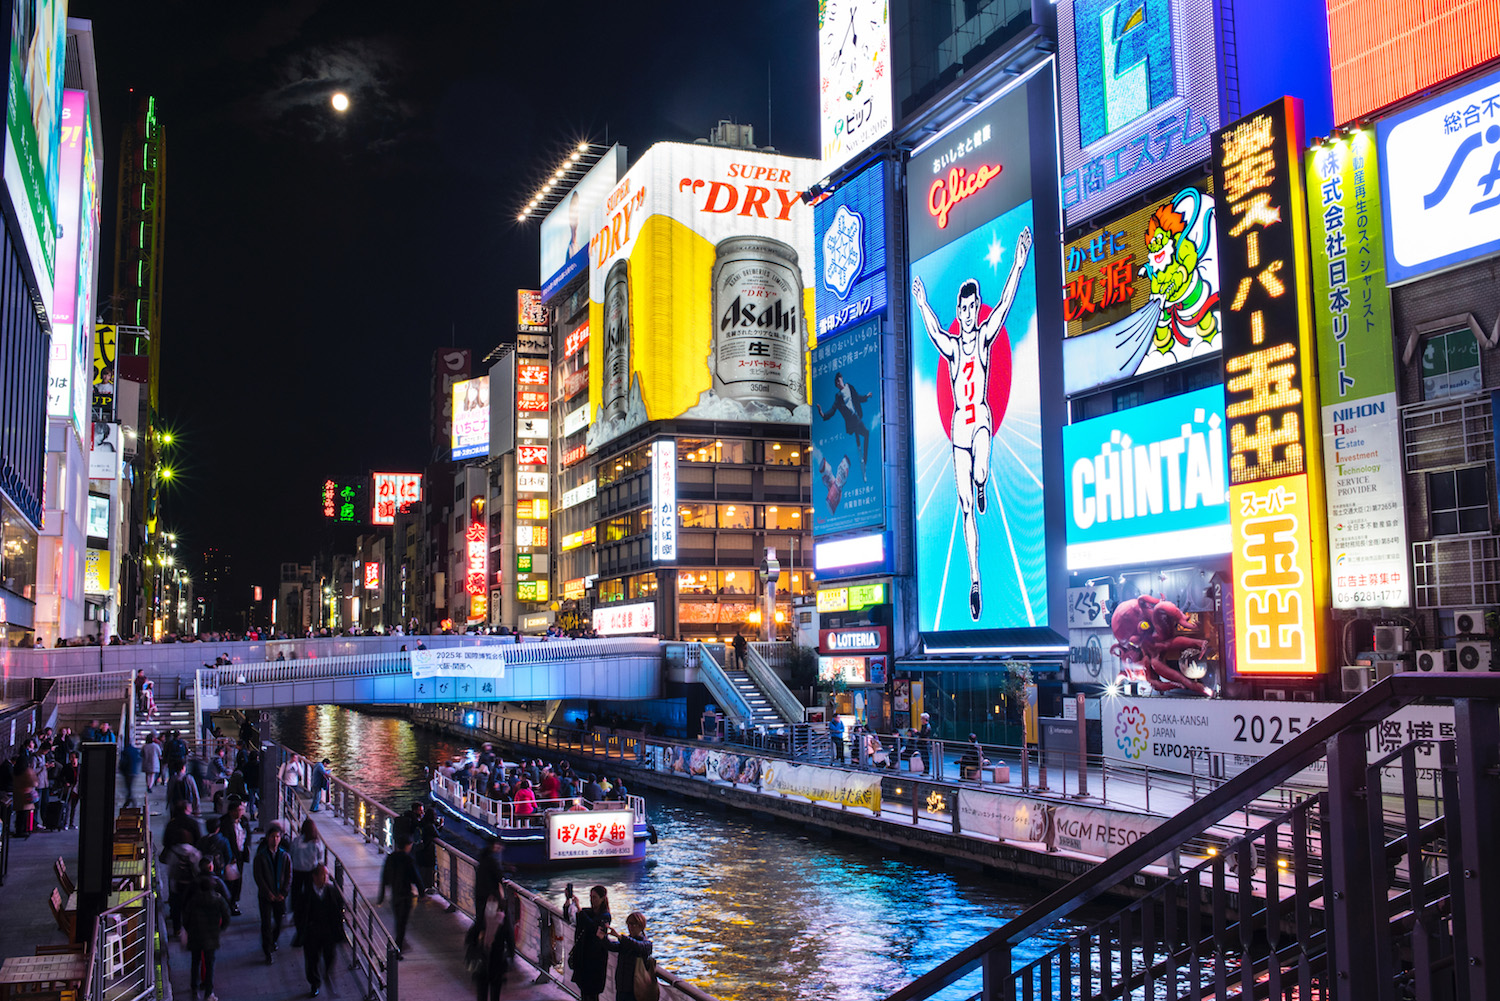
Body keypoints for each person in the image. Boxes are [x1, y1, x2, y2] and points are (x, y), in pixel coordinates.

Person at [910, 224, 1032, 621]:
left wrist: (1017, 263)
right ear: (956, 313)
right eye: (960, 310)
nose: (965, 315)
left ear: (975, 307)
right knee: (965, 508)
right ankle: (975, 579)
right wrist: (922, 302)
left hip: (981, 419)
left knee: (980, 474)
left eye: (970, 307)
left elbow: (1007, 304)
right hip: (958, 432)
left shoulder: (982, 338)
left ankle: (983, 483)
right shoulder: (950, 344)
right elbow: (930, 330)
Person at [182, 874, 231, 1001]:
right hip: (211, 937)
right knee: (210, 965)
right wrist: (219, 929)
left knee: (195, 962)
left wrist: (189, 930)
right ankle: (209, 993)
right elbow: (226, 917)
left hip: (196, 935)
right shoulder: (218, 900)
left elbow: (186, 918)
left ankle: (194, 989)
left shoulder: (193, 900)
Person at [301, 864, 346, 998]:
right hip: (312, 932)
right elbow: (300, 912)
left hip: (328, 931)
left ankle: (326, 971)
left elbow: (340, 907)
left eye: (327, 875)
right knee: (311, 959)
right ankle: (314, 983)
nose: (326, 878)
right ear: (314, 877)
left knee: (330, 955)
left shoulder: (332, 891)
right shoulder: (306, 892)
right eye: (323, 875)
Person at [816, 370, 874, 472]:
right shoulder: (838, 397)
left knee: (866, 433)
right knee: (856, 437)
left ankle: (865, 460)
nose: (838, 383)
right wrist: (823, 414)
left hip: (856, 417)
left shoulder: (850, 387)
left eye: (839, 380)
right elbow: (833, 410)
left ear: (842, 379)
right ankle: (857, 456)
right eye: (836, 383)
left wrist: (866, 396)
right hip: (850, 422)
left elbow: (857, 397)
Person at [376, 835, 424, 954]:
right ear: (408, 846)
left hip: (395, 894)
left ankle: (399, 944)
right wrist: (422, 892)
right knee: (402, 922)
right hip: (405, 895)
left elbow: (384, 877)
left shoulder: (390, 858)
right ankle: (398, 948)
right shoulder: (408, 859)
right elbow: (416, 877)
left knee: (398, 920)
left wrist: (381, 896)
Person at [253, 824, 293, 963]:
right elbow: (258, 877)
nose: (275, 840)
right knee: (266, 923)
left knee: (279, 920)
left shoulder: (284, 856)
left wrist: (284, 892)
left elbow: (289, 876)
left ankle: (273, 940)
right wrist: (267, 892)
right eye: (272, 837)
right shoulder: (261, 856)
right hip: (266, 896)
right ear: (267, 838)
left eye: (277, 837)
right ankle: (267, 950)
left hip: (280, 895)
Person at [569, 885, 612, 1001]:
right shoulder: (589, 912)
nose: (592, 900)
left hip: (596, 959)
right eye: (591, 897)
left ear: (602, 898)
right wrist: (568, 904)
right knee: (585, 991)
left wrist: (578, 908)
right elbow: (575, 919)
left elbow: (592, 926)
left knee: (592, 992)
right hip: (585, 958)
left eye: (594, 897)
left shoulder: (605, 916)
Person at [473, 888, 515, 1001]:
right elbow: (509, 934)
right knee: (495, 991)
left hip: (483, 957)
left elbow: (473, 932)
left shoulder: (483, 910)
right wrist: (511, 954)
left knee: (482, 990)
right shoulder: (503, 914)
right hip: (497, 957)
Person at [605, 911, 655, 1001]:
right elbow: (613, 946)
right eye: (628, 924)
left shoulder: (646, 944)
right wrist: (603, 938)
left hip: (636, 989)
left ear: (640, 926)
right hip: (622, 988)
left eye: (633, 924)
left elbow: (637, 946)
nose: (630, 927)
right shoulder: (627, 942)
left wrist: (619, 936)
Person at [288, 818, 323, 946]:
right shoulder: (316, 844)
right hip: (310, 875)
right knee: (309, 902)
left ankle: (299, 929)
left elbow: (291, 854)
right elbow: (320, 858)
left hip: (297, 874)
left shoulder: (296, 841)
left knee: (297, 902)